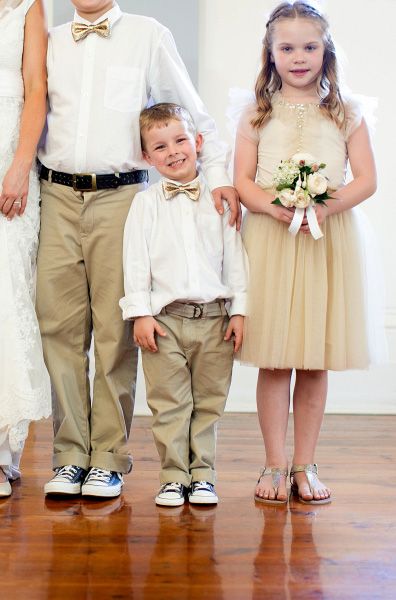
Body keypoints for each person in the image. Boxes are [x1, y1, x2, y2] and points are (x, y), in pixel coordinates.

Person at [38, 1, 240, 499]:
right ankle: (69, 456)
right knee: (59, 328)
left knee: (114, 330)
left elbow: (192, 117)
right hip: (55, 194)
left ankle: (107, 456)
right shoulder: (51, 40)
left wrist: (217, 182)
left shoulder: (148, 34)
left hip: (121, 196)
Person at [234, 1, 378, 504]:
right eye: (287, 47)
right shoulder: (257, 112)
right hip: (273, 239)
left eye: (310, 47)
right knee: (275, 360)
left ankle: (305, 465)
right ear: (271, 54)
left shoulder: (346, 111)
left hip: (326, 238)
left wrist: (322, 206)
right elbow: (244, 182)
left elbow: (366, 179)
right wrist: (277, 206)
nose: (299, 57)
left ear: (326, 50)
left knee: (313, 359)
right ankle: (273, 462)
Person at [119, 103, 248, 506]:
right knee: (170, 403)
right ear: (146, 157)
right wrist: (140, 312)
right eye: (159, 146)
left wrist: (240, 309)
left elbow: (236, 257)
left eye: (180, 140)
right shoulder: (145, 204)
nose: (173, 151)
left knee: (209, 402)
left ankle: (203, 473)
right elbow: (135, 260)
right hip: (165, 321)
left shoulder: (221, 199)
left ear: (198, 142)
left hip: (215, 320)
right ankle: (174, 474)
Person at [0, 0, 51, 497]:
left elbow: (37, 89)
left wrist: (19, 165)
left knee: (8, 290)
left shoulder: (28, 6)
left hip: (8, 152)